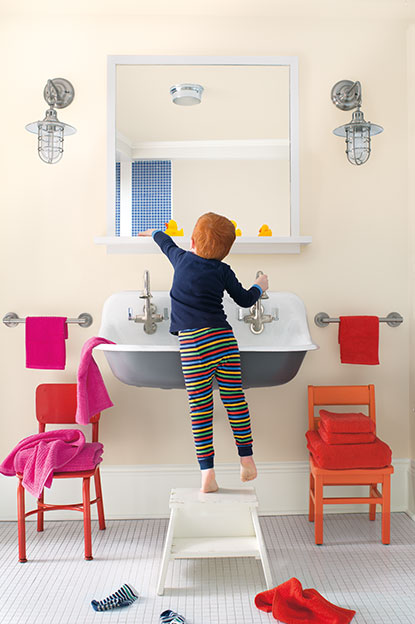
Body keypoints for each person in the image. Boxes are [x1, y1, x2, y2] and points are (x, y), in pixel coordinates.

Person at [139, 212, 269, 493]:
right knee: (235, 401)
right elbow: (245, 300)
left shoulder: (182, 259)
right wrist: (260, 285)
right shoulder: (223, 270)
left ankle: (207, 473)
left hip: (194, 345)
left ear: (192, 241)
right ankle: (246, 459)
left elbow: (165, 243)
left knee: (201, 410)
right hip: (223, 340)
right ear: (225, 251)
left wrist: (152, 231)